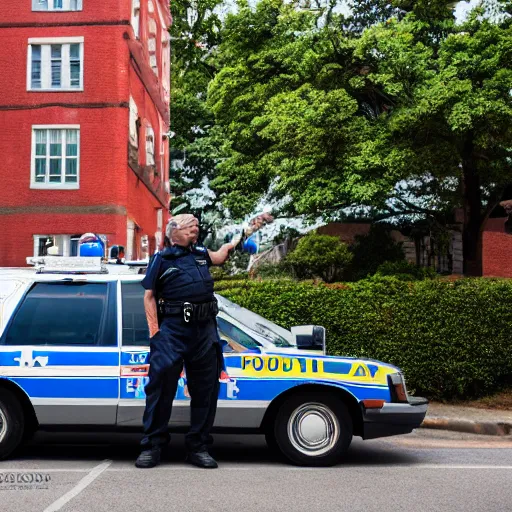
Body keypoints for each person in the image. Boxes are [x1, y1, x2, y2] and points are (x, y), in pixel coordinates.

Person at [134, 214, 245, 469]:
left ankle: (198, 447)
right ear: (175, 232)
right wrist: (155, 333)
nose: (195, 229)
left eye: (196, 226)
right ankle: (152, 446)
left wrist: (233, 243)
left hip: (204, 331)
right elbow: (149, 297)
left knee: (206, 390)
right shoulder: (162, 259)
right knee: (161, 389)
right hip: (172, 331)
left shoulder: (200, 254)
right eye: (189, 227)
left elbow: (219, 256)